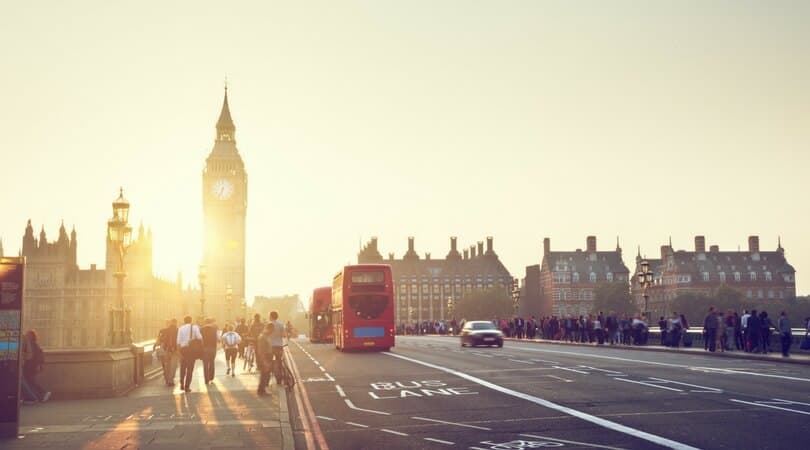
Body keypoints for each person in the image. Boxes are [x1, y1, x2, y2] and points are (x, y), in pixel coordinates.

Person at [21, 330, 50, 402]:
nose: (26, 335)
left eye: (28, 334)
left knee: (30, 381)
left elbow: (34, 356)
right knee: (29, 381)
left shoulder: (32, 344)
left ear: (31, 336)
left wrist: (38, 365)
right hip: (31, 366)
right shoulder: (33, 344)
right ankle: (32, 396)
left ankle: (43, 393)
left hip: (30, 366)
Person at [177, 315, 203, 393]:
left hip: (183, 350)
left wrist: (179, 352)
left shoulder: (180, 328)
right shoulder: (194, 327)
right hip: (191, 350)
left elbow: (178, 342)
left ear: (184, 321)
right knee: (190, 369)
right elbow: (200, 338)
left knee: (183, 367)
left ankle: (181, 383)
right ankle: (187, 386)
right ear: (191, 320)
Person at [157, 319, 179, 386]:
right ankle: (170, 380)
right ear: (176, 323)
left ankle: (166, 379)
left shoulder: (163, 330)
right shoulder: (179, 330)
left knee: (167, 366)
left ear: (170, 323)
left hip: (165, 350)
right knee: (173, 366)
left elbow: (159, 341)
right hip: (175, 351)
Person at [256, 323, 275, 396]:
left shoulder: (266, 336)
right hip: (265, 358)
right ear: (269, 328)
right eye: (273, 329)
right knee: (264, 374)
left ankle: (263, 390)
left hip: (268, 357)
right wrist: (265, 362)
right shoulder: (263, 337)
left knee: (266, 375)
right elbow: (261, 351)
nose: (273, 331)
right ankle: (261, 391)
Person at [269, 311, 287, 385]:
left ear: (271, 317)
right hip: (279, 346)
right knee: (279, 362)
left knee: (269, 362)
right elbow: (284, 335)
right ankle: (279, 380)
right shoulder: (281, 324)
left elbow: (265, 335)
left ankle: (268, 379)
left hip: (270, 346)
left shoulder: (268, 325)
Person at [200, 318, 219, 384]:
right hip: (213, 348)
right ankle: (211, 377)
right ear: (211, 322)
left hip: (204, 348)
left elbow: (200, 339)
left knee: (205, 364)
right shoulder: (214, 329)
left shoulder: (201, 329)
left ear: (205, 322)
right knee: (212, 363)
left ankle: (206, 379)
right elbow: (218, 338)